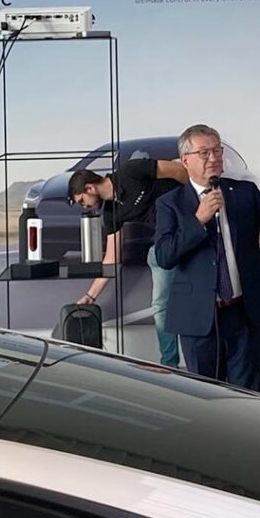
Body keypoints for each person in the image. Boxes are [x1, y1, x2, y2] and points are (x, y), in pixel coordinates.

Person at [154, 123, 260, 392]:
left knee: (246, 396)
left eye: (217, 150)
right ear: (185, 161)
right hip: (198, 315)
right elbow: (165, 255)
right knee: (204, 397)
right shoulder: (170, 203)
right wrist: (198, 220)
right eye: (204, 153)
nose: (213, 158)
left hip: (244, 312)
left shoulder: (245, 193)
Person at [68, 156, 188, 367]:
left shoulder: (130, 171)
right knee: (161, 305)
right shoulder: (110, 213)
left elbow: (179, 171)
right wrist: (90, 296)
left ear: (90, 188)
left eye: (81, 201)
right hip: (167, 245)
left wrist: (198, 204)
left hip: (193, 226)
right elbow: (112, 258)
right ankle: (169, 366)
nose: (84, 206)